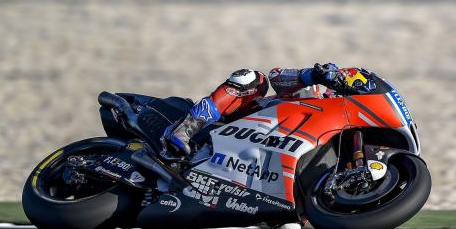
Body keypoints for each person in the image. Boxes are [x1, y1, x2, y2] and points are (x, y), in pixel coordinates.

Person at [161, 63, 377, 156]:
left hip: (260, 158)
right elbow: (276, 76)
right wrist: (312, 75)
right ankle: (185, 129)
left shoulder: (337, 133)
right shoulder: (315, 92)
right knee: (254, 79)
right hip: (238, 122)